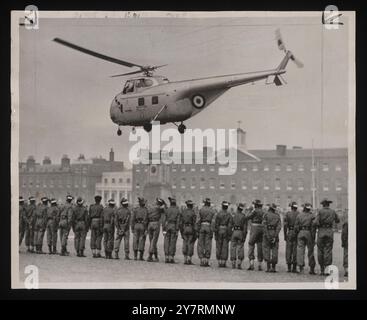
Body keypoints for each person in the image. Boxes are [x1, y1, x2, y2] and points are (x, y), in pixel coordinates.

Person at [314, 198, 340, 275]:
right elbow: (337, 220)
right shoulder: (333, 211)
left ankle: (322, 269)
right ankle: (327, 269)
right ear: (328, 204)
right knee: (328, 250)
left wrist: (319, 225)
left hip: (321, 232)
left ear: (323, 205)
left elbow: (315, 222)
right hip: (329, 232)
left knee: (320, 250)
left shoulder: (320, 211)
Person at [294, 203, 316, 274]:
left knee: (300, 251)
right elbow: (313, 227)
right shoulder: (312, 216)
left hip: (301, 232)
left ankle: (301, 268)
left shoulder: (299, 215)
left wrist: (298, 232)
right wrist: (313, 237)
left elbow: (296, 227)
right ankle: (311, 268)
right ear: (309, 208)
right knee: (310, 251)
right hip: (309, 233)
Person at [196, 198, 216, 267]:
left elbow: (198, 220)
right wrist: (212, 230)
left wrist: (197, 230)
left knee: (201, 244)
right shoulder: (212, 211)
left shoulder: (201, 210)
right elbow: (213, 222)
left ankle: (201, 260)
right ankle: (206, 260)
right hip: (209, 226)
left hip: (202, 226)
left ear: (204, 203)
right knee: (208, 244)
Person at [262, 203, 282, 272]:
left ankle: (268, 267)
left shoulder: (266, 215)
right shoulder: (277, 216)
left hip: (267, 233)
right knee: (274, 250)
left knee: (266, 249)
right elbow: (279, 227)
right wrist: (275, 236)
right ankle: (273, 267)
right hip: (274, 233)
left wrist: (267, 236)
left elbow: (264, 226)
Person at [246, 199, 265, 271]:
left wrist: (249, 210)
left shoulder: (255, 211)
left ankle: (251, 264)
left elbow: (247, 217)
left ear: (256, 205)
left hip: (255, 228)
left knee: (251, 244)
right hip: (261, 228)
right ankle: (260, 264)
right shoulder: (263, 211)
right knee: (260, 246)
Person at [214, 201, 232, 268]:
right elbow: (230, 226)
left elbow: (216, 224)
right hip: (226, 230)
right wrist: (229, 234)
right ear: (227, 207)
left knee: (219, 246)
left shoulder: (218, 214)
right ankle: (223, 262)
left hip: (219, 230)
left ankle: (219, 262)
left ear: (222, 206)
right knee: (225, 247)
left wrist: (215, 234)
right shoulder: (229, 215)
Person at [146, 198, 166, 262]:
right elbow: (166, 208)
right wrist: (164, 203)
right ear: (160, 204)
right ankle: (150, 256)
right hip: (156, 224)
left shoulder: (150, 207)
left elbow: (147, 216)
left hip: (149, 224)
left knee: (152, 241)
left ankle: (156, 256)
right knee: (154, 241)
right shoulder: (159, 208)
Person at [162, 197, 180, 263]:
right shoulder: (177, 210)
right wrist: (177, 229)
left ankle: (166, 256)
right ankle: (171, 257)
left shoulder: (167, 210)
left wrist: (163, 229)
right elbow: (178, 221)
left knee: (166, 241)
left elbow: (164, 220)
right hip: (174, 226)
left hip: (167, 226)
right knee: (173, 242)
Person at [230, 203, 248, 269]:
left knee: (233, 247)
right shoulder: (244, 216)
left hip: (234, 231)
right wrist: (244, 236)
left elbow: (230, 225)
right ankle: (239, 263)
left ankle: (233, 262)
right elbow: (245, 228)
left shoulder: (234, 215)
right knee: (240, 247)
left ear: (237, 208)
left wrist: (230, 233)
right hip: (241, 232)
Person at [179, 200, 197, 265]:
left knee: (185, 242)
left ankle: (185, 259)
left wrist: (181, 231)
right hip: (191, 228)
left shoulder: (183, 212)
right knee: (191, 243)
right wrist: (195, 232)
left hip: (184, 228)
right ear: (191, 206)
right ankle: (189, 259)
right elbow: (194, 223)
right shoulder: (193, 213)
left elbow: (180, 223)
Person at [284, 201, 300, 272]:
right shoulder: (299, 214)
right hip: (297, 232)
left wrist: (285, 235)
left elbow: (285, 226)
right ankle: (294, 267)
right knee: (295, 250)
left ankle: (289, 267)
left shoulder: (288, 214)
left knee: (289, 250)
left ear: (291, 207)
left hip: (290, 232)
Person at [341, 212, 348, 277]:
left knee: (346, 255)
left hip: (348, 242)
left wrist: (343, 242)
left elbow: (344, 234)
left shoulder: (347, 222)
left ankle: (347, 270)